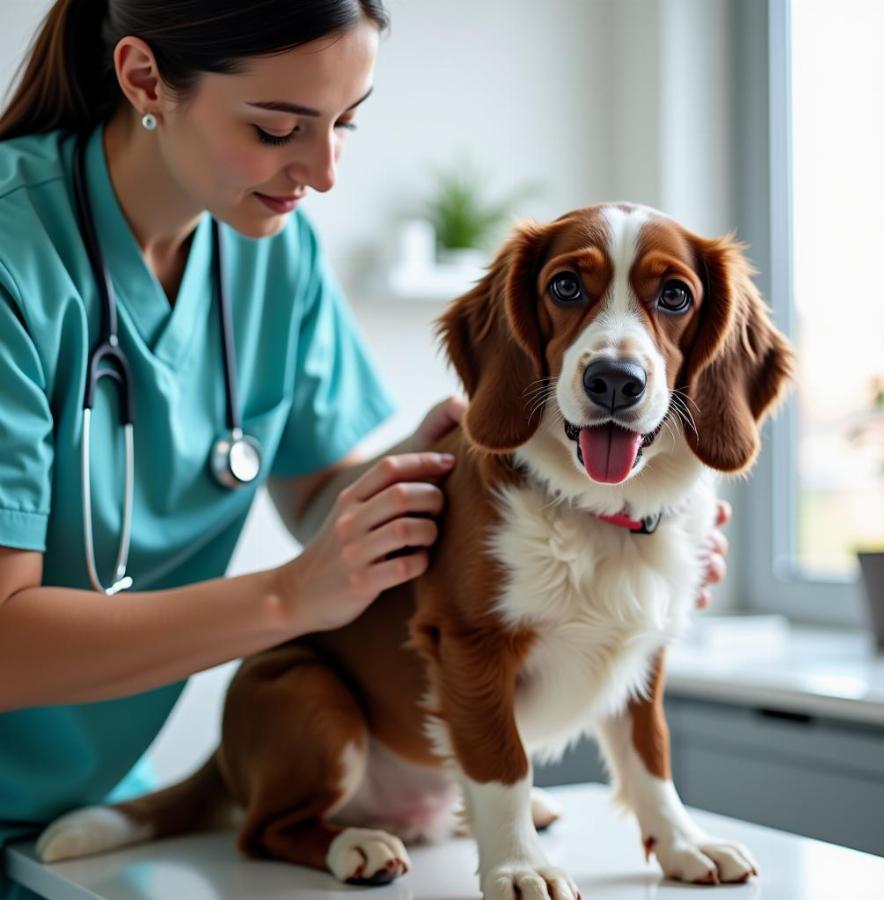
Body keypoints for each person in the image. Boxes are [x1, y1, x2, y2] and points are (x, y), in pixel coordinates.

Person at [0, 2, 731, 897]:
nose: (325, 171)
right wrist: (286, 595)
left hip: (103, 801)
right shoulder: (12, 258)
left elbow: (322, 493)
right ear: (145, 79)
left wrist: (450, 491)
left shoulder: (272, 252)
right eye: (279, 127)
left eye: (346, 122)